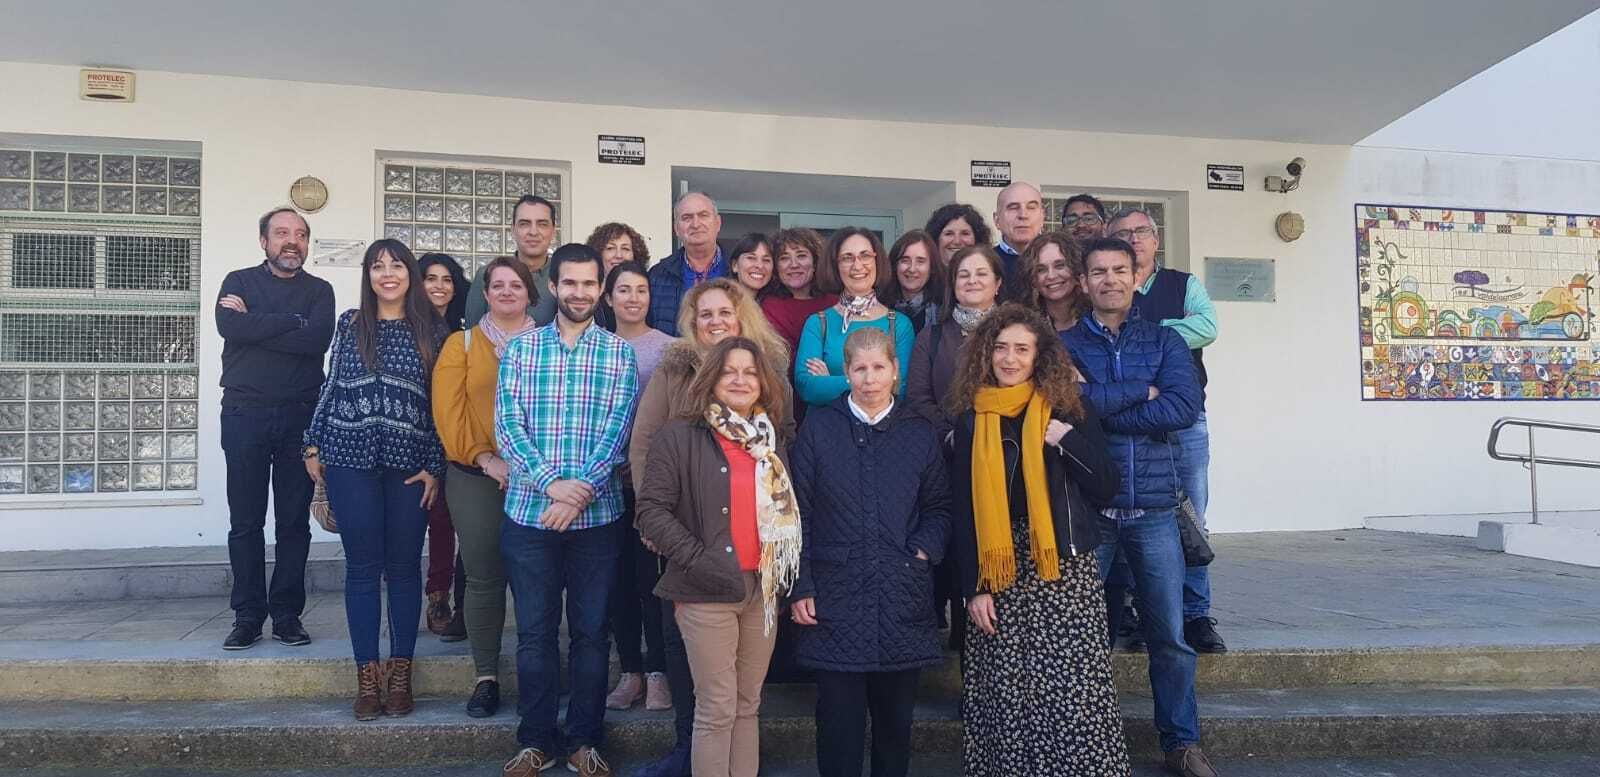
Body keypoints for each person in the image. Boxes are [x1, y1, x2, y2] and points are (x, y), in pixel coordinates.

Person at [946, 304, 1131, 777]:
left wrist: (1067, 441)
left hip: (1061, 566)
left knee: (1071, 689)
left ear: (1039, 356)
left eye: (1021, 349)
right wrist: (973, 588)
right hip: (1000, 565)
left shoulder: (1067, 406)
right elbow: (965, 512)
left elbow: (1106, 485)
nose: (1009, 359)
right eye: (1001, 348)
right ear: (986, 354)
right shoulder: (972, 418)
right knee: (1007, 690)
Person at [628, 277, 792, 777]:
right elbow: (652, 507)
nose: (740, 379)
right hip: (705, 586)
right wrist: (695, 559)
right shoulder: (682, 435)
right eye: (729, 373)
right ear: (711, 381)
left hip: (760, 589)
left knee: (747, 705)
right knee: (716, 708)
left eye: (749, 373)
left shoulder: (768, 441)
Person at [1063, 238, 1214, 777]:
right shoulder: (1062, 344)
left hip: (1152, 510)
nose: (1109, 280)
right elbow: (1067, 409)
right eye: (1098, 272)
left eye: (1119, 270)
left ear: (1135, 277)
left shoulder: (1167, 341)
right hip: (1089, 514)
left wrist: (1105, 407)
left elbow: (1181, 407)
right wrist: (1140, 392)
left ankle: (1182, 743)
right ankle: (1082, 743)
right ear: (1083, 283)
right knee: (1081, 640)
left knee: (1169, 638)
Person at [497, 244, 638, 777]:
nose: (580, 292)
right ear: (553, 287)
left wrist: (579, 493)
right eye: (570, 283)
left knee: (590, 634)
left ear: (600, 289)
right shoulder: (520, 350)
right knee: (534, 635)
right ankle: (535, 741)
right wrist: (555, 486)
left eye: (590, 284)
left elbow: (618, 433)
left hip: (597, 522)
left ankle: (583, 740)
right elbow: (508, 428)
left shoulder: (618, 354)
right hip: (530, 517)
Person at [789, 327, 951, 777]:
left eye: (879, 367)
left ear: (895, 371)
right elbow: (797, 510)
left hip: (902, 593)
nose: (870, 378)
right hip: (834, 598)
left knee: (894, 728)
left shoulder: (918, 431)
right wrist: (800, 583)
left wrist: (922, 551)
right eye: (859, 368)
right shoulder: (820, 427)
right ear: (847, 373)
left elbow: (939, 506)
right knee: (837, 727)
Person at [303, 239, 447, 720]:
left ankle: (401, 672)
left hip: (409, 466)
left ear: (410, 274)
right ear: (367, 276)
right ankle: (367, 676)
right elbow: (331, 384)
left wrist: (435, 464)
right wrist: (313, 442)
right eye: (377, 267)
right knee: (363, 568)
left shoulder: (432, 330)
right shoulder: (351, 324)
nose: (387, 274)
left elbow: (440, 405)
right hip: (349, 459)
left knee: (404, 568)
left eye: (397, 266)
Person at [215, 207, 334, 650]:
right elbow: (229, 325)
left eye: (300, 234)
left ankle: (286, 615)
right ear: (263, 241)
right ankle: (247, 615)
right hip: (244, 413)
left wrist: (256, 324)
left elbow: (317, 340)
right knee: (245, 522)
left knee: (292, 524)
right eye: (282, 233)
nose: (292, 241)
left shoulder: (319, 291)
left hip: (300, 417)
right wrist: (290, 324)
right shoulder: (238, 281)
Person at [1107, 208, 1224, 654]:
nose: (1133, 239)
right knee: (1131, 518)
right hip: (1127, 422)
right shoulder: (1109, 286)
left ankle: (1196, 615)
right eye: (1123, 234)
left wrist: (1148, 331)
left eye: (1141, 232)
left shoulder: (1182, 285)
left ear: (1156, 240)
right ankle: (1143, 611)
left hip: (1184, 422)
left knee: (1191, 518)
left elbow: (1207, 327)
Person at [432, 256, 539, 719]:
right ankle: (485, 675)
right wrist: (486, 457)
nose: (507, 292)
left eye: (517, 284)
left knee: (541, 579)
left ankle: (541, 673)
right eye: (498, 285)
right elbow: (449, 412)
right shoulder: (462, 344)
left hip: (538, 480)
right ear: (484, 293)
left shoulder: (550, 343)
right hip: (477, 476)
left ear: (530, 293)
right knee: (483, 576)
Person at [905, 245, 1004, 647]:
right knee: (945, 546)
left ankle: (974, 644)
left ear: (998, 283)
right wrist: (954, 434)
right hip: (944, 458)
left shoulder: (1015, 334)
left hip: (1001, 459)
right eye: (964, 274)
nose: (972, 281)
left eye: (981, 274)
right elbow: (918, 397)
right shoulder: (933, 335)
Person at [601, 262, 675, 714]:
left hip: (652, 484)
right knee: (616, 582)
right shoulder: (595, 348)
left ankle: (658, 672)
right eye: (623, 290)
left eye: (641, 289)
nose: (633, 297)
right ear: (607, 298)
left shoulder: (670, 350)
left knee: (653, 581)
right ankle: (629, 671)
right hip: (604, 484)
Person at [795, 228, 915, 410]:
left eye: (865, 256)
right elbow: (807, 387)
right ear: (836, 266)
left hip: (882, 433)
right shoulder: (818, 323)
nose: (857, 266)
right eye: (847, 258)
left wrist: (831, 382)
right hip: (827, 432)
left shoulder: (899, 324)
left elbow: (900, 387)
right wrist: (877, 383)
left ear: (877, 261)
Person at [418, 252, 468, 641]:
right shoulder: (405, 325)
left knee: (445, 521)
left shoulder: (464, 331)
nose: (439, 286)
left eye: (447, 279)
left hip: (451, 438)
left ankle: (440, 597)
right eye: (431, 278)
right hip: (412, 436)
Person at [464, 195, 557, 328]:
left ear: (553, 231)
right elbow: (471, 335)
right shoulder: (486, 275)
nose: (533, 232)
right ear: (513, 230)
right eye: (524, 224)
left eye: (542, 224)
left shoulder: (563, 277)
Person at [648, 192, 727, 335]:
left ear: (718, 223)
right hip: (674, 356)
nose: (696, 224)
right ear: (677, 229)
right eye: (687, 218)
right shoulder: (657, 276)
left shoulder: (738, 272)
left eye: (703, 215)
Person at [760, 227, 838, 356]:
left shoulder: (835, 305)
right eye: (784, 258)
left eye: (801, 256)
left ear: (815, 262)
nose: (794, 264)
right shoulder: (769, 307)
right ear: (776, 267)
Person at [1019, 232, 1088, 333]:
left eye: (1060, 266)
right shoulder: (1025, 324)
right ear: (1033, 279)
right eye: (1041, 269)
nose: (1051, 276)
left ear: (1076, 268)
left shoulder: (1096, 316)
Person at [587, 222, 651, 331]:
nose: (619, 255)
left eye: (625, 249)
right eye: (610, 248)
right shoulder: (585, 293)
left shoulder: (646, 288)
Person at [881, 229, 943, 334]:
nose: (912, 269)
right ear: (894, 265)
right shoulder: (880, 306)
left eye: (920, 261)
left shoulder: (943, 310)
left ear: (932, 267)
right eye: (905, 260)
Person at [992, 182, 1044, 296]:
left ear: (1042, 217)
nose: (1023, 215)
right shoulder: (986, 264)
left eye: (1031, 207)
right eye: (1013, 208)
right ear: (997, 220)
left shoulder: (1058, 262)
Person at [924, 203, 992, 266]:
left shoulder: (990, 276)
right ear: (935, 240)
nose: (957, 241)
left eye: (965, 234)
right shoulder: (924, 277)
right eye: (949, 234)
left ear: (977, 239)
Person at [727, 232, 776, 301]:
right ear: (734, 265)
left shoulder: (774, 307)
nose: (760, 266)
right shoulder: (719, 302)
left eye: (766, 260)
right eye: (751, 258)